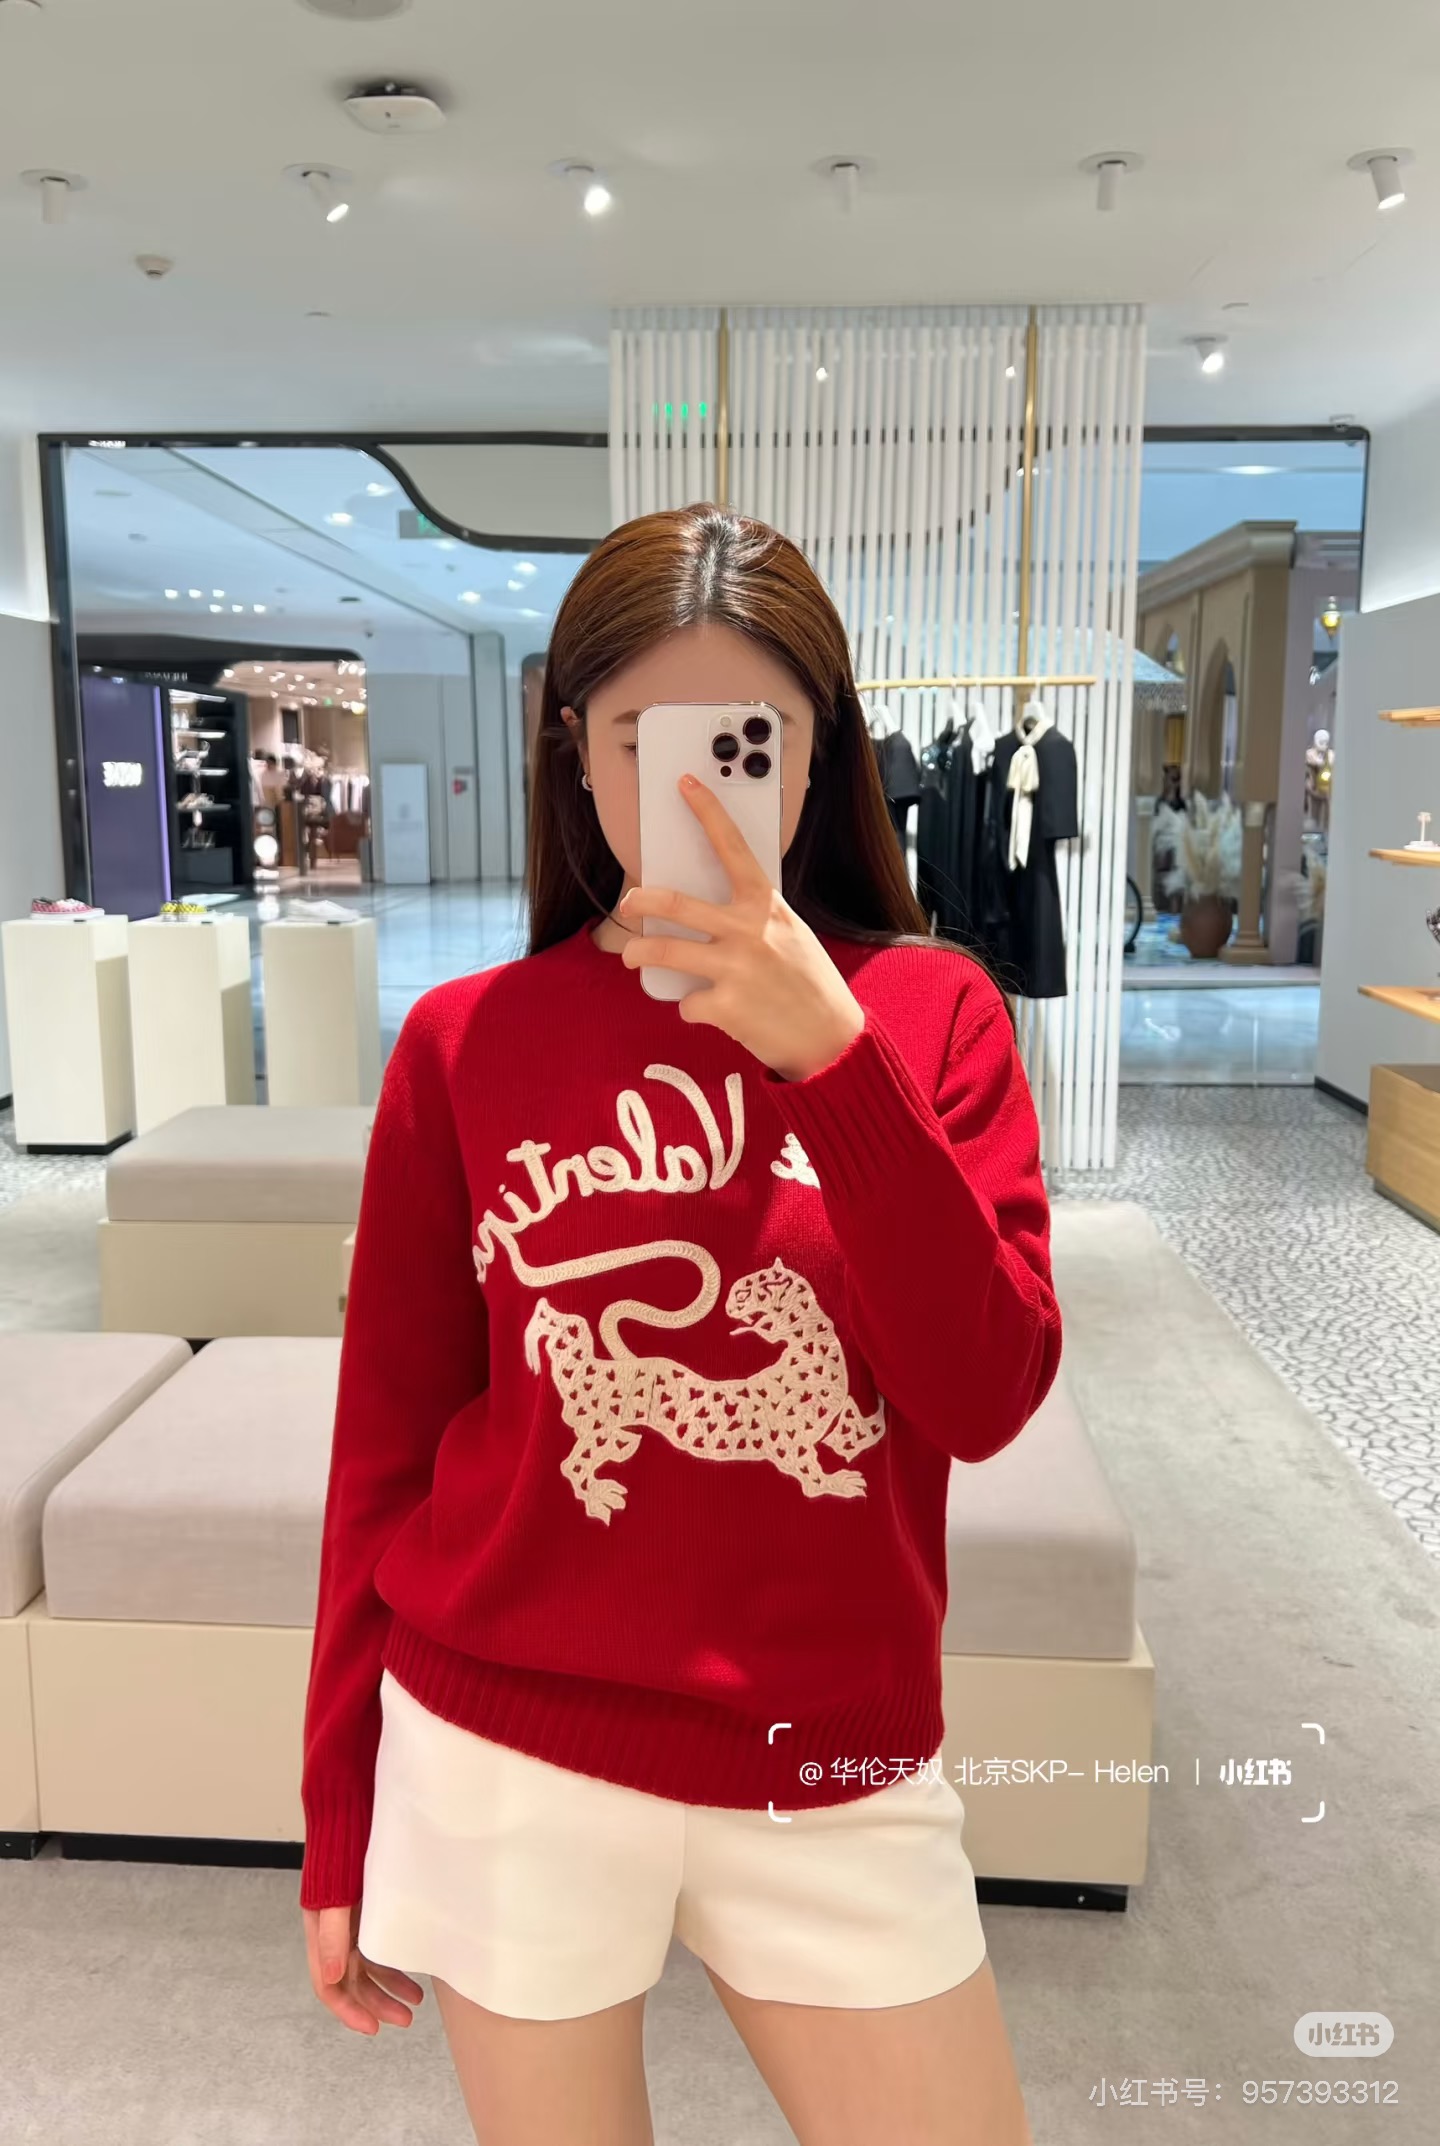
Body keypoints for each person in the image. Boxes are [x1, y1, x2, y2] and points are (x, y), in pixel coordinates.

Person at [298, 503, 1061, 2146]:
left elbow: (986, 1392)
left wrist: (832, 1063)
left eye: (745, 737)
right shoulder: (462, 1042)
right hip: (505, 1749)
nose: (696, 786)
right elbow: (384, 1453)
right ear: (576, 752)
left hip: (833, 1761)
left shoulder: (933, 1016)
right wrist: (337, 1807)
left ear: (817, 749)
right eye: (643, 739)